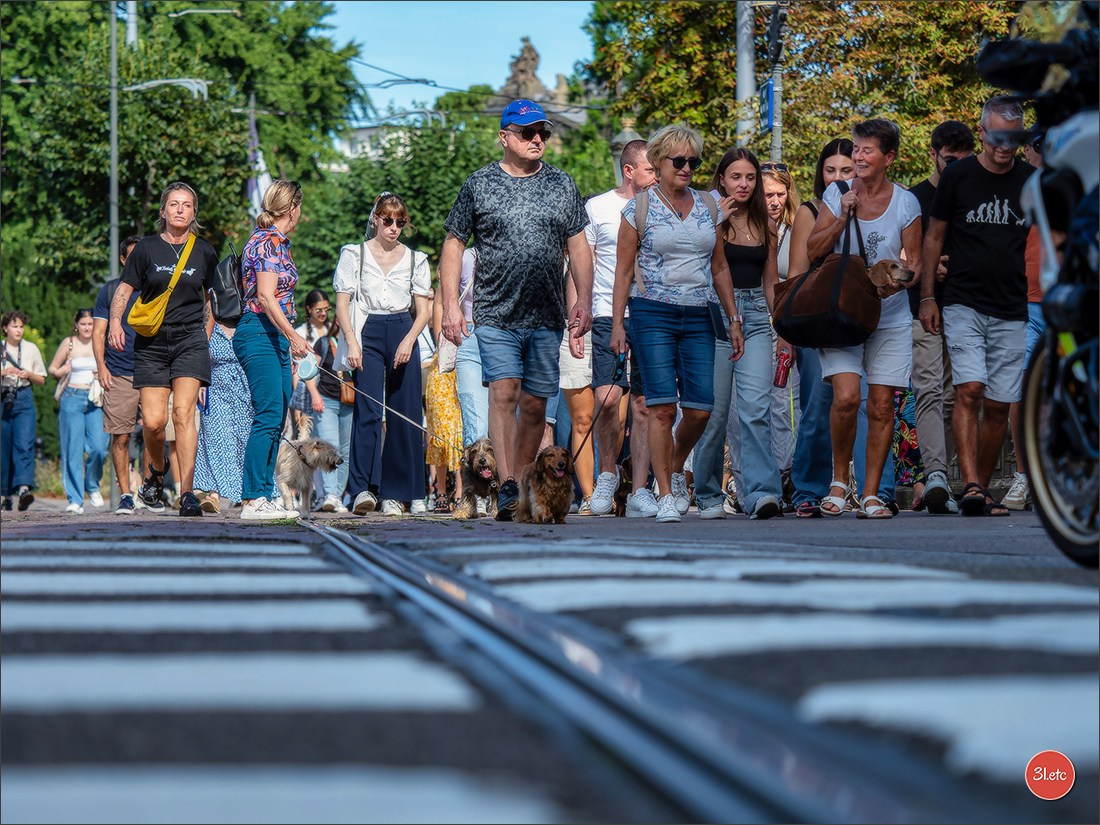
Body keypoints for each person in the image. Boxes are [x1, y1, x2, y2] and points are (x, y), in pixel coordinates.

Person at [439, 99, 593, 522]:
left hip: (546, 314)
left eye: (542, 132)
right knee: (504, 391)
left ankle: (522, 481)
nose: (537, 139)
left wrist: (583, 299)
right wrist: (451, 305)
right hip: (495, 312)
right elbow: (453, 243)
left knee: (535, 404)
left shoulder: (562, 185)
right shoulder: (479, 183)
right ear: (505, 136)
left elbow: (578, 245)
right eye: (527, 132)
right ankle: (507, 484)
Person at [610, 124, 744, 524]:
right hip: (652, 312)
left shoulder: (709, 205)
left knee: (701, 409)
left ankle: (674, 466)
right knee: (662, 408)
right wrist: (618, 324)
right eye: (679, 161)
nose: (687, 168)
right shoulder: (639, 208)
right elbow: (622, 272)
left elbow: (719, 266)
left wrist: (733, 318)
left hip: (701, 312)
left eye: (694, 161)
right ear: (658, 161)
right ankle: (666, 494)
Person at [920, 96, 1033, 517]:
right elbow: (933, 237)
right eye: (997, 135)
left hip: (1011, 305)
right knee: (969, 388)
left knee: (1001, 404)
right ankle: (969, 483)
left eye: (1013, 137)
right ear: (983, 133)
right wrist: (928, 295)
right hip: (963, 301)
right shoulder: (959, 176)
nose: (1005, 145)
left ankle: (980, 490)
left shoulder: (1031, 180)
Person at [807, 118, 922, 519]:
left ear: (888, 157)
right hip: (842, 315)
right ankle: (840, 481)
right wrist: (841, 215)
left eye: (867, 150)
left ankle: (871, 493)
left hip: (888, 317)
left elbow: (915, 262)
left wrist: (898, 285)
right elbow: (813, 250)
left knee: (881, 406)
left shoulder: (907, 202)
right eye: (856, 149)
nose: (858, 156)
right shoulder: (836, 193)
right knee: (846, 397)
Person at [109, 181, 219, 517]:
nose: (180, 210)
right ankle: (157, 471)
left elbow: (212, 299)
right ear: (163, 211)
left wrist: (206, 333)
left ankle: (187, 492)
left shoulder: (204, 251)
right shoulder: (145, 249)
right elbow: (124, 291)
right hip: (152, 343)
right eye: (174, 204)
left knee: (184, 414)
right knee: (154, 423)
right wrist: (115, 321)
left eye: (187, 205)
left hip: (189, 340)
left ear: (194, 213)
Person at [693, 147, 784, 521]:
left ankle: (761, 493)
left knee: (756, 409)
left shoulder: (766, 225)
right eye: (736, 177)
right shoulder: (708, 216)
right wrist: (715, 222)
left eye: (750, 177)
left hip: (758, 319)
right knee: (713, 413)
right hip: (715, 316)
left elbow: (771, 282)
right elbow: (703, 269)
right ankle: (709, 493)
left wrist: (783, 328)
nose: (743, 184)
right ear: (721, 180)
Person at [335, 192, 432, 517]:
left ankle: (406, 491)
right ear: (376, 218)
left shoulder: (416, 258)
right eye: (387, 220)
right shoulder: (354, 254)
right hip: (368, 331)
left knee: (407, 414)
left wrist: (409, 340)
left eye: (399, 222)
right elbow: (343, 303)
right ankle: (362, 488)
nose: (393, 227)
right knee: (369, 412)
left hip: (404, 327)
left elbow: (424, 310)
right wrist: (352, 341)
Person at [586, 139, 660, 518]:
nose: (656, 176)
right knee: (606, 399)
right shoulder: (597, 207)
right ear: (629, 170)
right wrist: (577, 312)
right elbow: (583, 264)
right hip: (603, 312)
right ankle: (607, 475)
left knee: (645, 403)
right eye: (650, 169)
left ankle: (641, 490)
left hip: (649, 313)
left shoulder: (662, 205)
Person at [907, 120, 975, 514]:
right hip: (924, 306)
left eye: (963, 161)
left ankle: (942, 477)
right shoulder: (915, 199)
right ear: (932, 154)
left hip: (967, 305)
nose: (955, 169)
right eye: (949, 161)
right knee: (929, 388)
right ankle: (934, 475)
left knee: (956, 396)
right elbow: (904, 259)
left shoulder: (973, 193)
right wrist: (927, 272)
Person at [233, 178, 310, 520]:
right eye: (300, 206)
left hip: (274, 334)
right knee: (267, 414)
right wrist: (294, 335)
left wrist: (287, 338)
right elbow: (265, 296)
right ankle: (252, 498)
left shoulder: (280, 243)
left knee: (277, 416)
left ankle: (263, 492)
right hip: (259, 331)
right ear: (292, 207)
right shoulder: (266, 242)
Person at [1004, 128, 1047, 511]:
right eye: (1040, 146)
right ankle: (1023, 475)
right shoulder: (1019, 186)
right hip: (1027, 305)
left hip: (1077, 305)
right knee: (1020, 390)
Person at [92, 234, 143, 515]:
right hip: (119, 372)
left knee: (157, 430)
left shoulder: (155, 290)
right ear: (123, 259)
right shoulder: (109, 291)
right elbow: (98, 333)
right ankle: (126, 494)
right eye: (131, 257)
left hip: (153, 370)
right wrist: (102, 367)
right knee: (121, 437)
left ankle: (152, 486)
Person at [761, 161, 801, 505]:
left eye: (780, 193)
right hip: (755, 322)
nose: (774, 200)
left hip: (789, 325)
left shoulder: (796, 226)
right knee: (763, 402)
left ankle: (791, 472)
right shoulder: (747, 227)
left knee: (790, 402)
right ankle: (770, 474)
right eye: (767, 194)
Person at [193, 320, 260, 512]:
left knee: (244, 440)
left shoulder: (248, 323)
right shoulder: (208, 326)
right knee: (216, 439)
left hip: (245, 388)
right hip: (215, 388)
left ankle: (247, 493)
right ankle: (214, 494)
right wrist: (199, 383)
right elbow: (198, 355)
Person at [48, 308, 109, 514]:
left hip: (96, 400)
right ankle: (75, 499)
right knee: (72, 450)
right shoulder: (69, 343)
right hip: (72, 398)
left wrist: (101, 370)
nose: (87, 327)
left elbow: (110, 367)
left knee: (99, 447)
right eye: (83, 324)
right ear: (76, 325)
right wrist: (62, 370)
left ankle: (91, 484)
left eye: (91, 324)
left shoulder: (100, 342)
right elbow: (52, 369)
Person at [299, 315, 353, 513]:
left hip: (350, 402)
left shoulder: (357, 343)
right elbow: (310, 369)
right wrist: (314, 394)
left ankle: (337, 496)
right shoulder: (324, 342)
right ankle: (329, 495)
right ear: (338, 320)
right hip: (326, 400)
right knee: (331, 445)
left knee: (345, 451)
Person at [1, 310, 47, 511]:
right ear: (5, 328)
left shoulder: (31, 348)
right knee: (3, 447)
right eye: (14, 326)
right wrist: (5, 372)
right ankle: (4, 494)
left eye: (21, 326)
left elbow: (42, 379)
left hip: (24, 397)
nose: (19, 330)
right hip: (3, 397)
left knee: (24, 444)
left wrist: (29, 374)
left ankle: (23, 489)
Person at [424, 292, 464, 513]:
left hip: (468, 358)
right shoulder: (443, 290)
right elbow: (438, 308)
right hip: (444, 362)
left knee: (461, 429)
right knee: (439, 431)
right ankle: (440, 490)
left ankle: (461, 490)